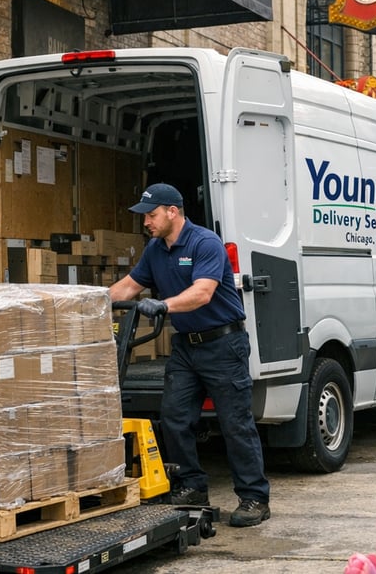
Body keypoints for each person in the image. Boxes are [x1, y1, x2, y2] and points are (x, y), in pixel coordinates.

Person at [109, 183, 271, 527]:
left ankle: (254, 497)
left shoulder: (204, 243)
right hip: (186, 347)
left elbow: (202, 293)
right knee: (175, 418)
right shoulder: (155, 250)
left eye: (151, 216)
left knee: (235, 424)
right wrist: (82, 301)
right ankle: (192, 486)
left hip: (223, 345)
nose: (146, 223)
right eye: (144, 217)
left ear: (173, 212)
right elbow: (128, 287)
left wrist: (163, 305)